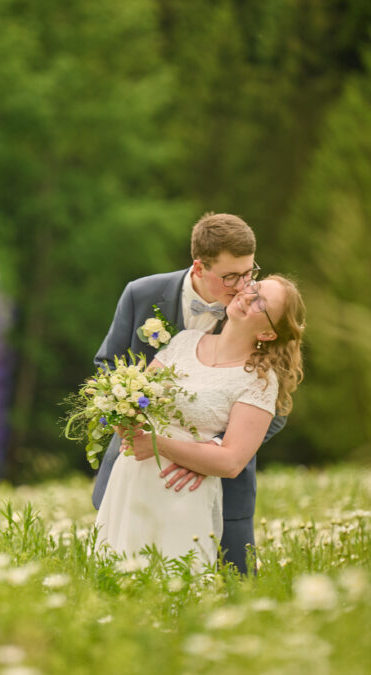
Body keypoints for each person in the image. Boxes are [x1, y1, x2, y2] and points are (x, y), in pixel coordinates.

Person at [91, 213, 286, 573]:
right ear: (199, 266)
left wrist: (209, 452)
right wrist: (125, 416)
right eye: (231, 277)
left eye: (250, 273)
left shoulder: (253, 313)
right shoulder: (142, 294)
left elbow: (277, 408)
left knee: (227, 593)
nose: (244, 286)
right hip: (136, 470)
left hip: (219, 487)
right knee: (117, 582)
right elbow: (108, 368)